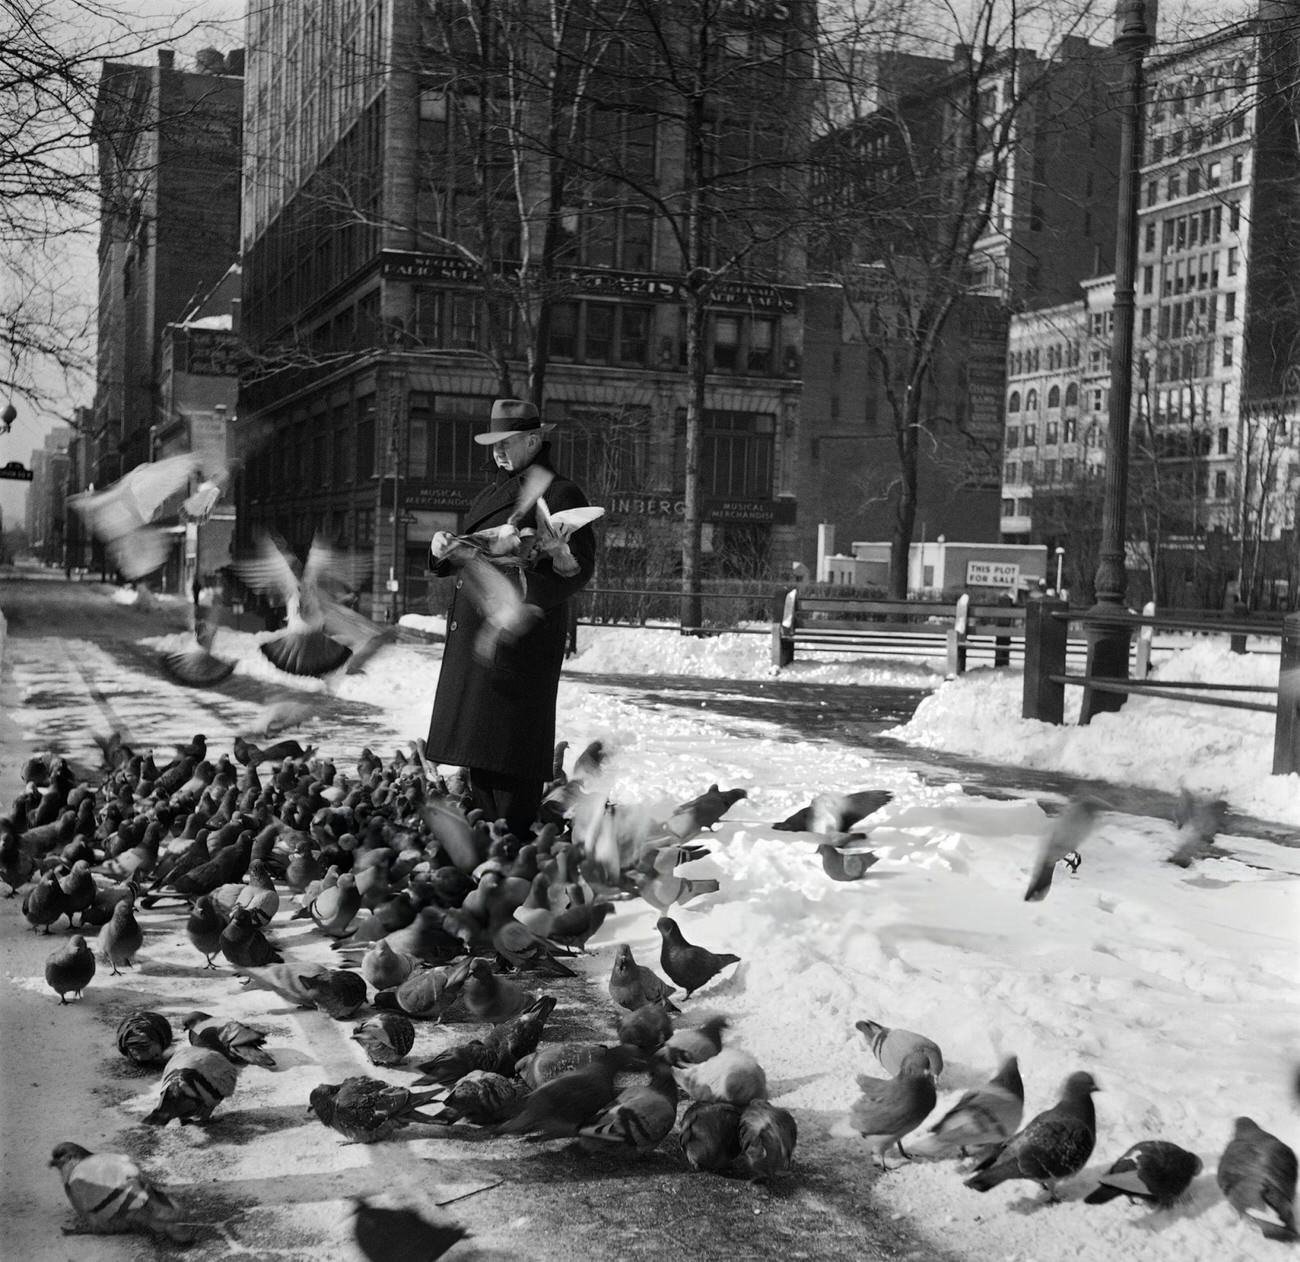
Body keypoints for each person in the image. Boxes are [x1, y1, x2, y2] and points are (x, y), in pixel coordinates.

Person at [424, 399, 596, 839]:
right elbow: (470, 549)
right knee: (482, 763)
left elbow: (579, 567)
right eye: (493, 444)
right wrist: (442, 551)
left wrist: (521, 596)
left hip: (516, 646)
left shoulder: (560, 493)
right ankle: (492, 862)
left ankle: (513, 861)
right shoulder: (491, 492)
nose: (497, 452)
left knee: (510, 764)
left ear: (534, 440)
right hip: (482, 643)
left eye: (507, 443)